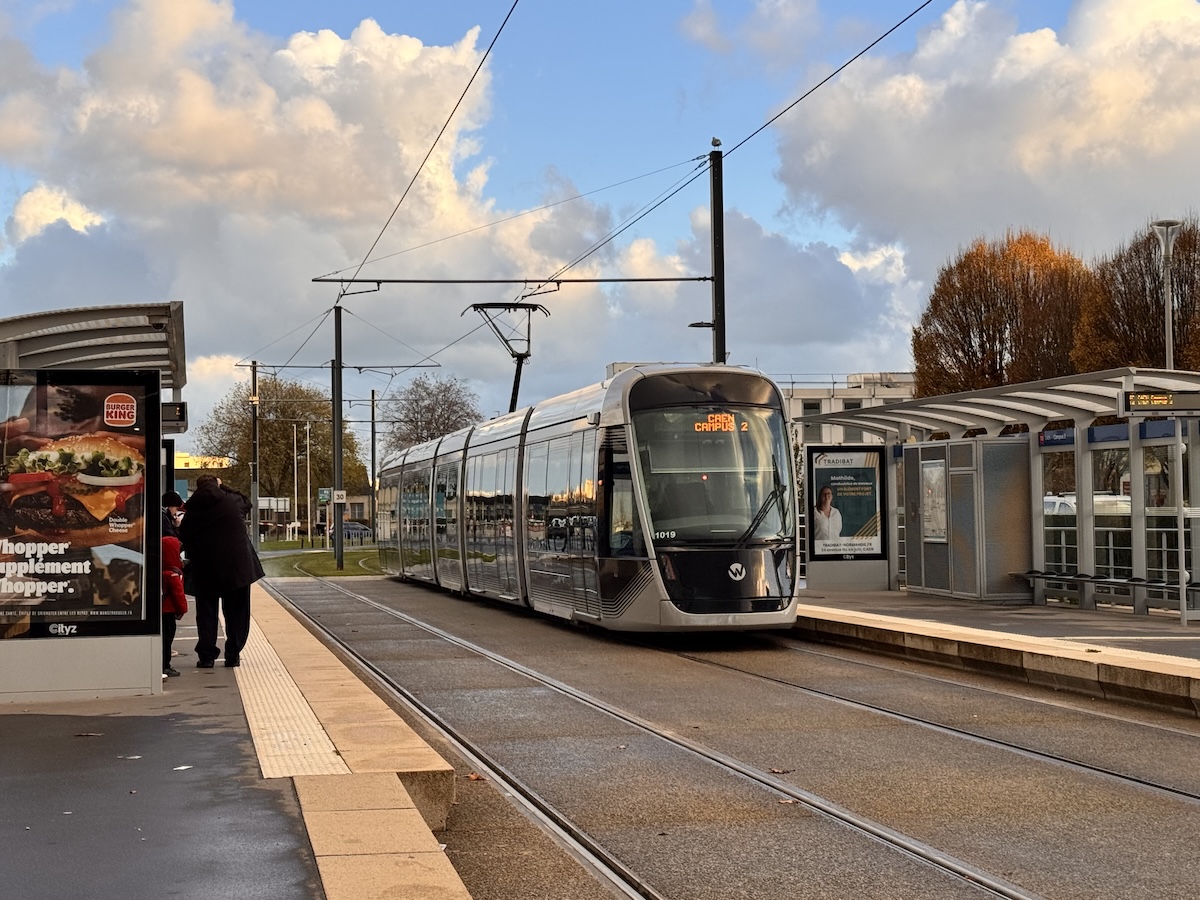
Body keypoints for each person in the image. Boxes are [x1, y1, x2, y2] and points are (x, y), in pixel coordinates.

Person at [179, 474, 264, 668]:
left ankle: (207, 656)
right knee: (237, 613)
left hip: (205, 568)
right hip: (237, 568)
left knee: (207, 613)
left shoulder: (192, 510)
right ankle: (233, 654)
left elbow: (183, 535)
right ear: (217, 484)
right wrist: (223, 486)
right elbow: (247, 502)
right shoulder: (232, 502)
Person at [161, 535, 187, 678]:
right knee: (167, 640)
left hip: (159, 612)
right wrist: (182, 610)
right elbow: (178, 595)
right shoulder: (173, 575)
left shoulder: (159, 571)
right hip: (169, 612)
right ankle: (166, 666)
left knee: (162, 639)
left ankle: (162, 664)